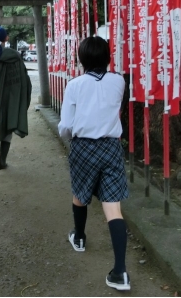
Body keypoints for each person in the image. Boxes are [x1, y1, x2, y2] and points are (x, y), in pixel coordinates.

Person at [58, 36, 130, 291]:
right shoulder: (119, 81)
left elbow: (66, 125)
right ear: (108, 57)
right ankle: (120, 272)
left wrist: (68, 136)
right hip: (111, 147)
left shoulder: (75, 85)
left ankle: (79, 237)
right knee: (113, 207)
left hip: (84, 147)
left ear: (82, 58)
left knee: (80, 193)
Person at [0, 26, 32, 170]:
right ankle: (2, 159)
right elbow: (24, 79)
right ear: (5, 38)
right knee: (8, 126)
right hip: (11, 98)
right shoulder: (14, 56)